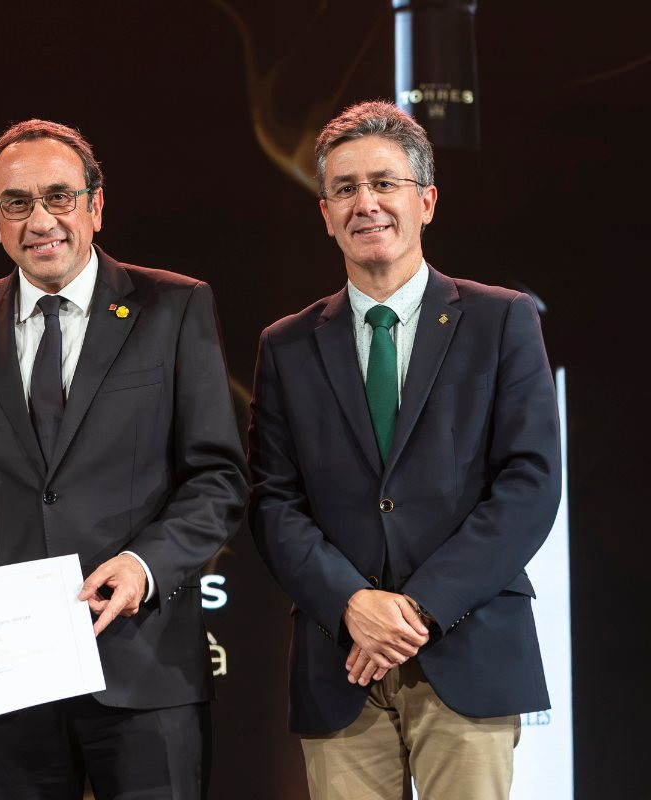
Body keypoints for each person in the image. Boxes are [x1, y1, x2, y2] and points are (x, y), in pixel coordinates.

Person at [0, 119, 249, 799]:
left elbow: (219, 477)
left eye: (60, 197)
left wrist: (145, 564)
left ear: (95, 204)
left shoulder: (173, 306)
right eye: (16, 203)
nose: (40, 220)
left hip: (145, 671)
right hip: (8, 677)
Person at [247, 100, 561, 800]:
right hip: (341, 662)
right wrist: (352, 601)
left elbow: (529, 484)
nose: (367, 203)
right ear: (325, 212)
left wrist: (416, 608)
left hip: (468, 649)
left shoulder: (501, 318)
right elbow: (273, 500)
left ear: (426, 200)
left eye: (385, 183)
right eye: (346, 188)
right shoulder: (286, 344)